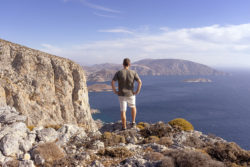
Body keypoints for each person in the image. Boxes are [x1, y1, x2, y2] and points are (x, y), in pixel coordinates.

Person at [111, 58, 142, 130]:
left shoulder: (119, 72)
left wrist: (115, 91)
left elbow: (112, 82)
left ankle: (124, 126)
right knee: (133, 107)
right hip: (131, 94)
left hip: (121, 94)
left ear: (123, 64)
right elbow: (140, 82)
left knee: (123, 111)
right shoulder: (133, 72)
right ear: (129, 64)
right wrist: (137, 91)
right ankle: (133, 122)